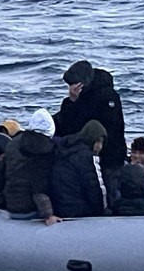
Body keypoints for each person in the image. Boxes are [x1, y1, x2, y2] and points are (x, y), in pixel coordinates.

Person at [53, 60, 126, 201]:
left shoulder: (106, 96)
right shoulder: (82, 97)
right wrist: (72, 101)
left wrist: (75, 103)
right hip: (89, 155)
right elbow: (67, 125)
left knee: (110, 189)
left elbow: (110, 127)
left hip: (108, 155)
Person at [0, 108, 60, 225]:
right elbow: (38, 185)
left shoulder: (13, 143)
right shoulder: (46, 149)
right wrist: (48, 214)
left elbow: (0, 176)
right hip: (31, 208)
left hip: (10, 203)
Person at [49, 119, 109, 218]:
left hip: (59, 206)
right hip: (78, 209)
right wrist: (103, 210)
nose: (100, 146)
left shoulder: (65, 148)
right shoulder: (87, 157)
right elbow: (95, 189)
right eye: (98, 141)